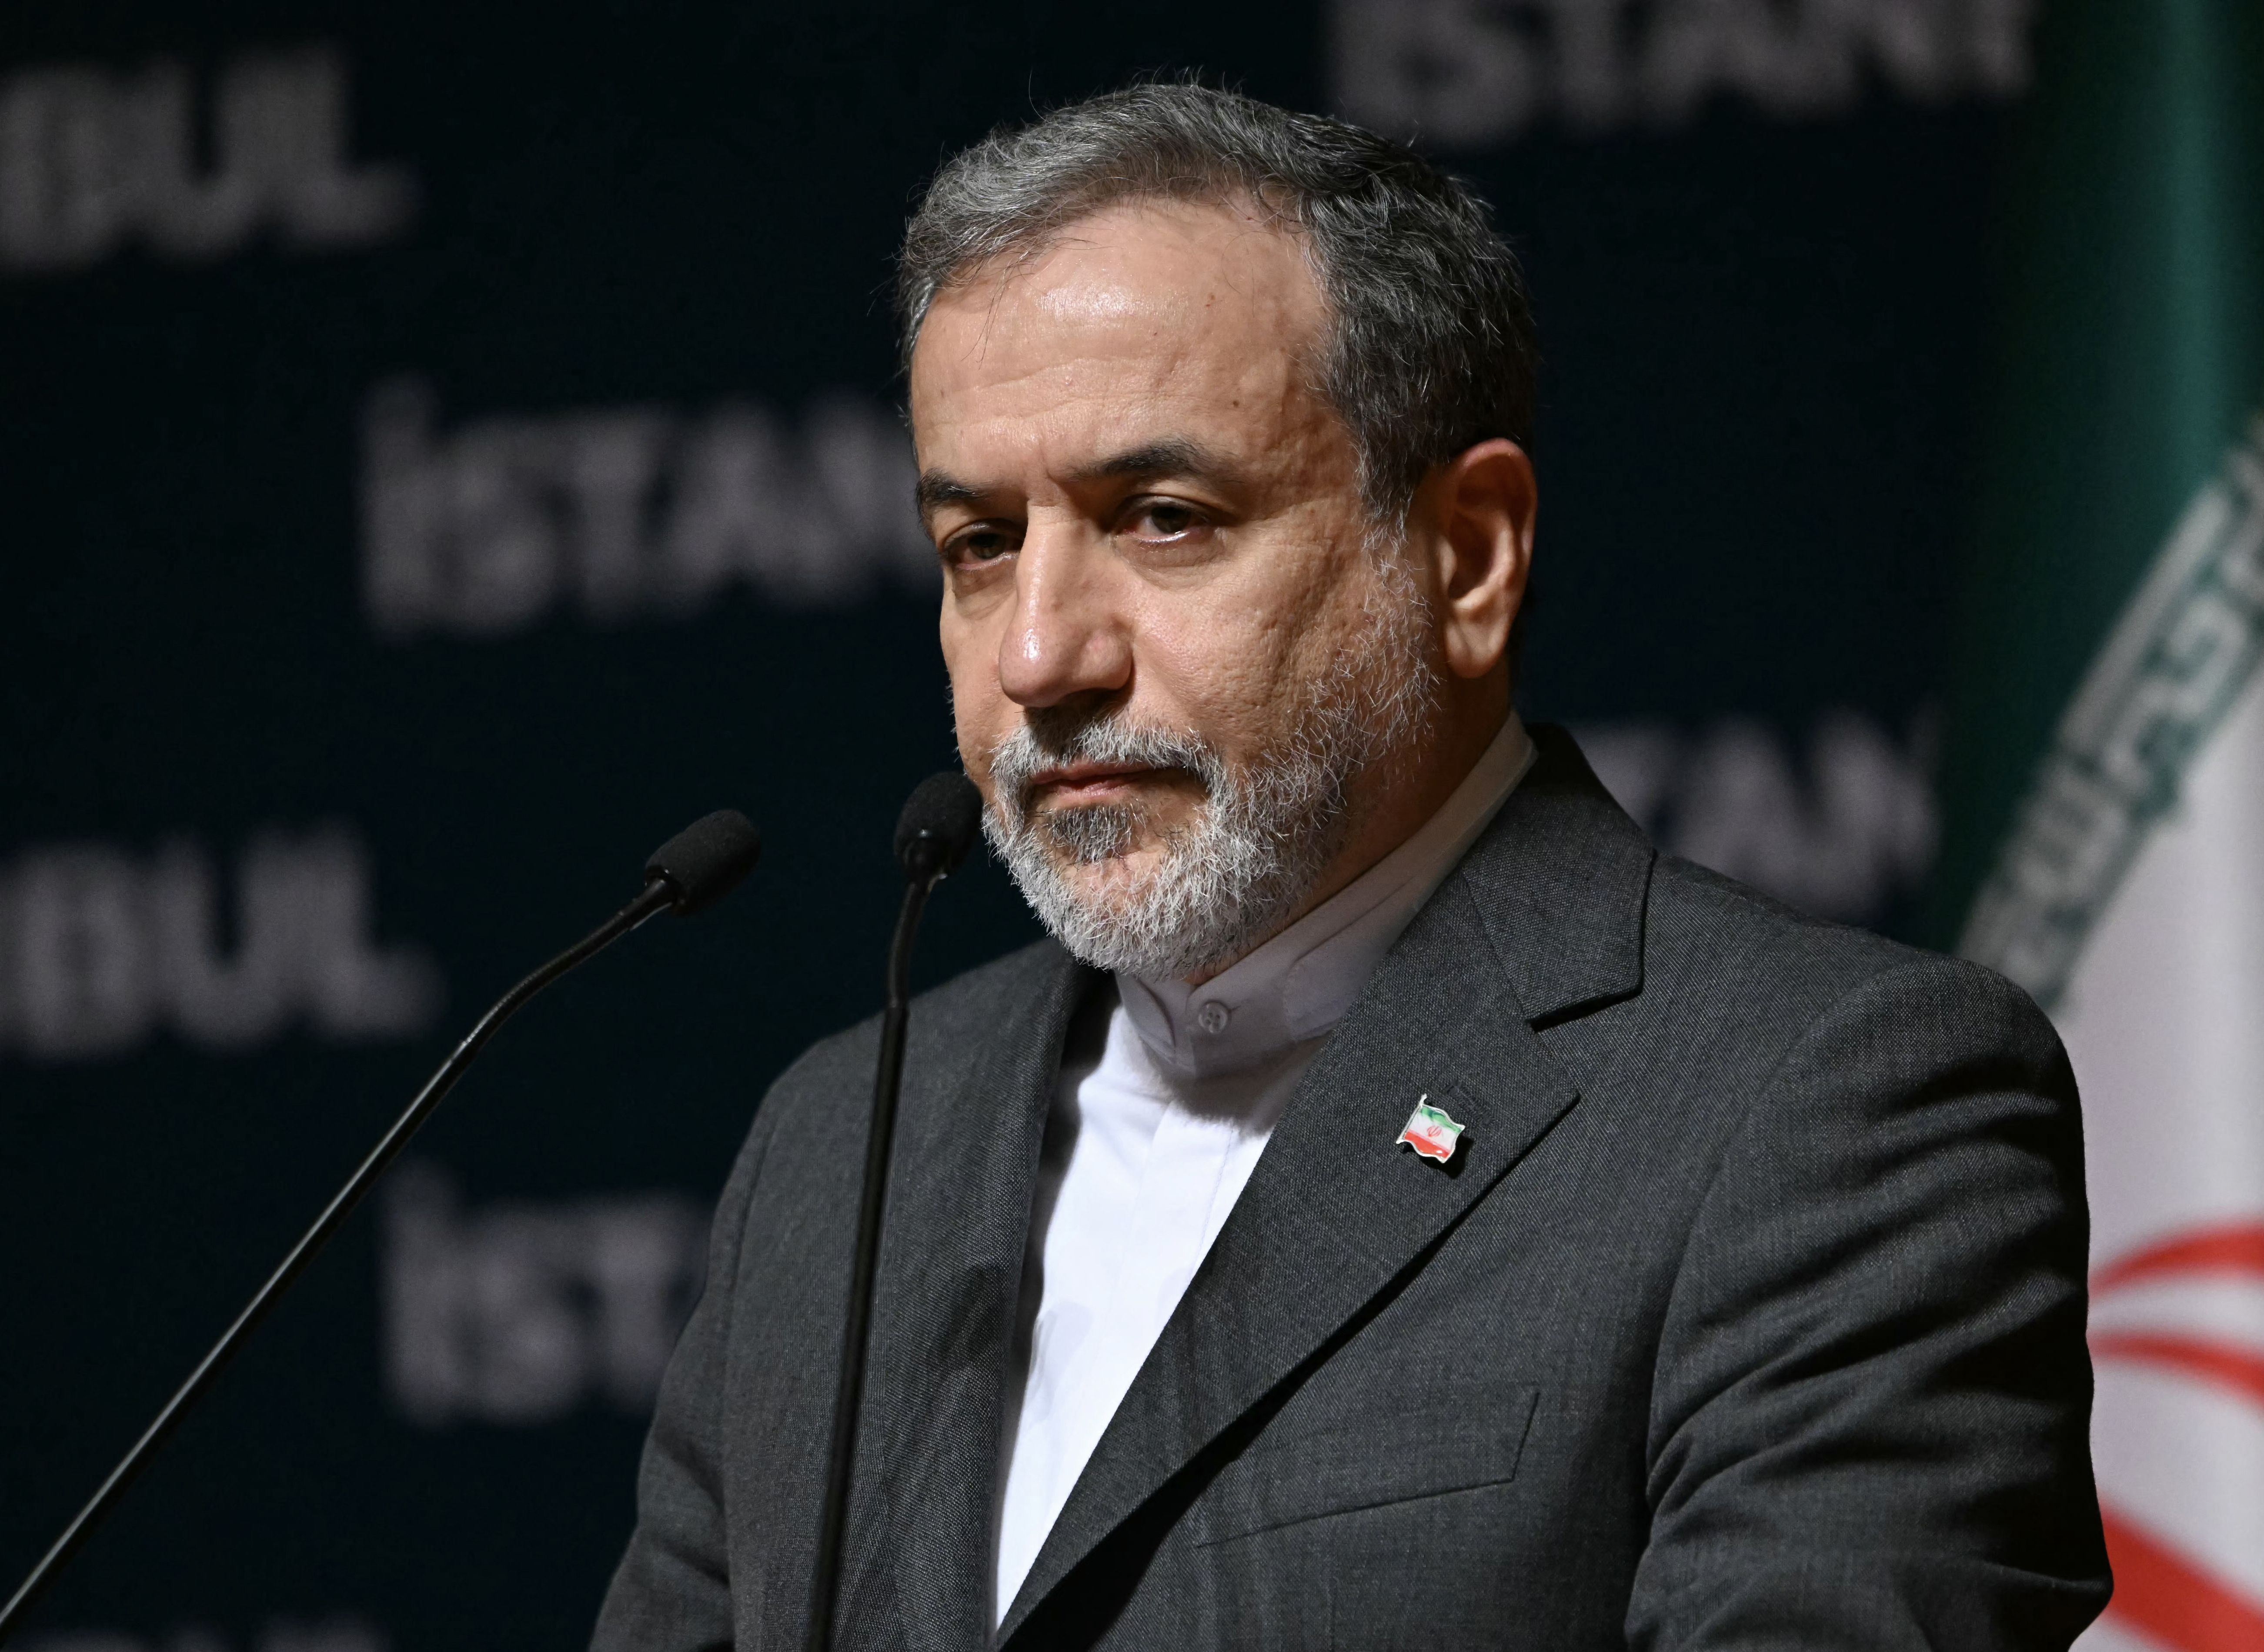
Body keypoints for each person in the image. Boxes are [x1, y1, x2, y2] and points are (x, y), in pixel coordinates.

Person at [591, 82, 2108, 1650]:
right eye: (979, 543)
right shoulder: (846, 1141)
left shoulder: (1825, 1108)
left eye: (1163, 517)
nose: (1039, 654)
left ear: (1466, 556)